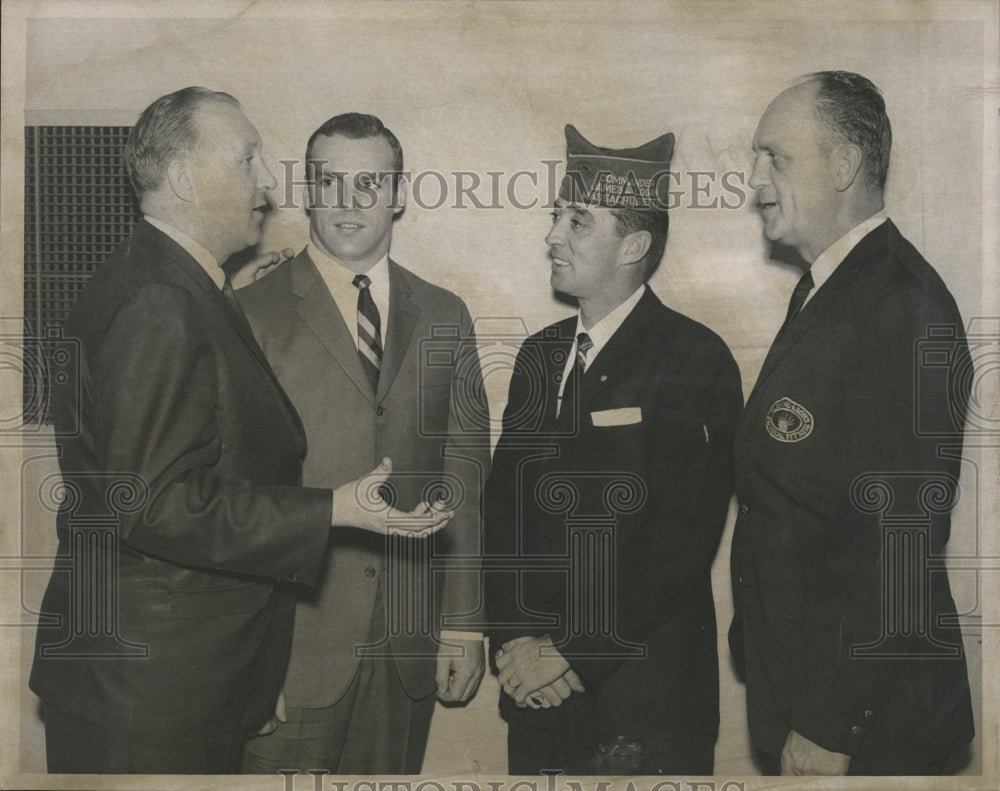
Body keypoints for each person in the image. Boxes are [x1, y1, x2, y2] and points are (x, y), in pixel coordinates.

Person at [28, 88, 451, 775]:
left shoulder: (170, 281)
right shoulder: (160, 300)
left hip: (166, 678)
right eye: (247, 158)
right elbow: (153, 502)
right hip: (151, 692)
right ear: (186, 177)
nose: (267, 182)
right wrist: (334, 509)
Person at [729, 71, 975, 776]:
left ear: (843, 165)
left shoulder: (902, 304)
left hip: (865, 725)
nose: (756, 178)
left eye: (776, 158)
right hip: (807, 690)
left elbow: (900, 543)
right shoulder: (834, 286)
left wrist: (830, 726)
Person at [484, 124, 743, 775]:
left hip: (643, 704)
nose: (552, 236)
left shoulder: (694, 358)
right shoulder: (540, 355)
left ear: (634, 245)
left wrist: (568, 652)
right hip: (535, 696)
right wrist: (513, 643)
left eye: (577, 221)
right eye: (556, 217)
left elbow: (679, 541)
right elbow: (503, 513)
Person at [238, 113, 491, 775]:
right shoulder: (252, 313)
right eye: (331, 182)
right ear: (307, 191)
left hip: (407, 642)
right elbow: (236, 496)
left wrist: (463, 621)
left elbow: (465, 470)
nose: (349, 202)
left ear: (398, 194)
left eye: (369, 184)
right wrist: (249, 659)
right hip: (293, 650)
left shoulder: (445, 315)